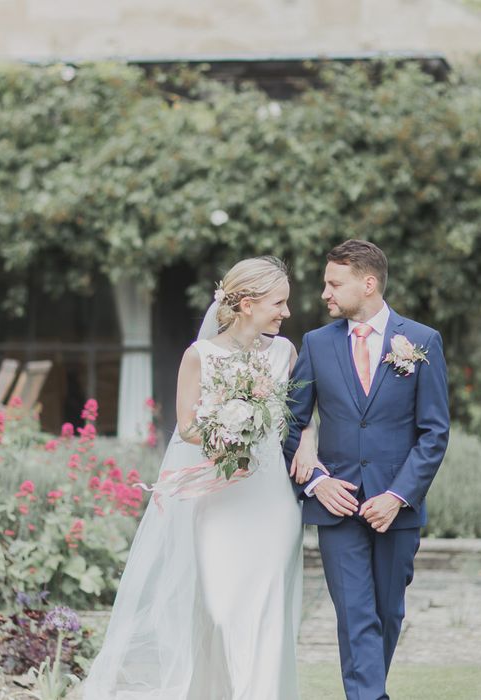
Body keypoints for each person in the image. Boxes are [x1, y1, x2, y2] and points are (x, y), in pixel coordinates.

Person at [84, 256, 312, 700]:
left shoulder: (285, 352)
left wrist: (307, 445)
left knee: (268, 613)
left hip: (272, 503)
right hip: (221, 499)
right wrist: (223, 433)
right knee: (223, 610)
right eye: (278, 303)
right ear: (247, 304)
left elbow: (301, 419)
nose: (286, 312)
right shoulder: (200, 355)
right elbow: (186, 426)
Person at [285, 239, 450, 700]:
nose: (325, 294)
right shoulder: (316, 345)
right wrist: (317, 481)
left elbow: (434, 432)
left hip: (396, 506)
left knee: (387, 614)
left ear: (368, 283)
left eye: (334, 283)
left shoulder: (421, 341)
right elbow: (290, 425)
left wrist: (398, 496)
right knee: (355, 614)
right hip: (337, 509)